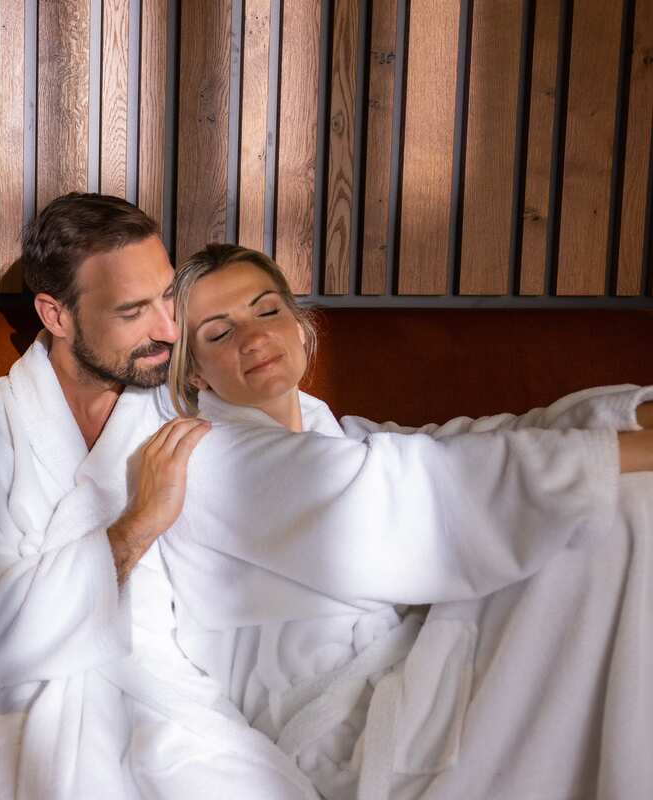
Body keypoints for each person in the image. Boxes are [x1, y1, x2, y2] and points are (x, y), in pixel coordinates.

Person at [156, 242, 653, 799]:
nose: (253, 337)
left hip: (405, 673)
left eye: (267, 309)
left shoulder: (329, 435)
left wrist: (627, 416)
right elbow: (414, 491)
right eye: (219, 333)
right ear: (194, 373)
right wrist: (617, 454)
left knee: (621, 497)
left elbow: (470, 443)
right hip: (343, 732)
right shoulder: (211, 458)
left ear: (299, 326)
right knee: (620, 511)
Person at [0, 198, 319, 799]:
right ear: (56, 315)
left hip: (176, 704)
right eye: (133, 311)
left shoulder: (197, 399)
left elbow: (321, 472)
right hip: (15, 716)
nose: (169, 330)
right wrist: (136, 526)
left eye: (168, 299)